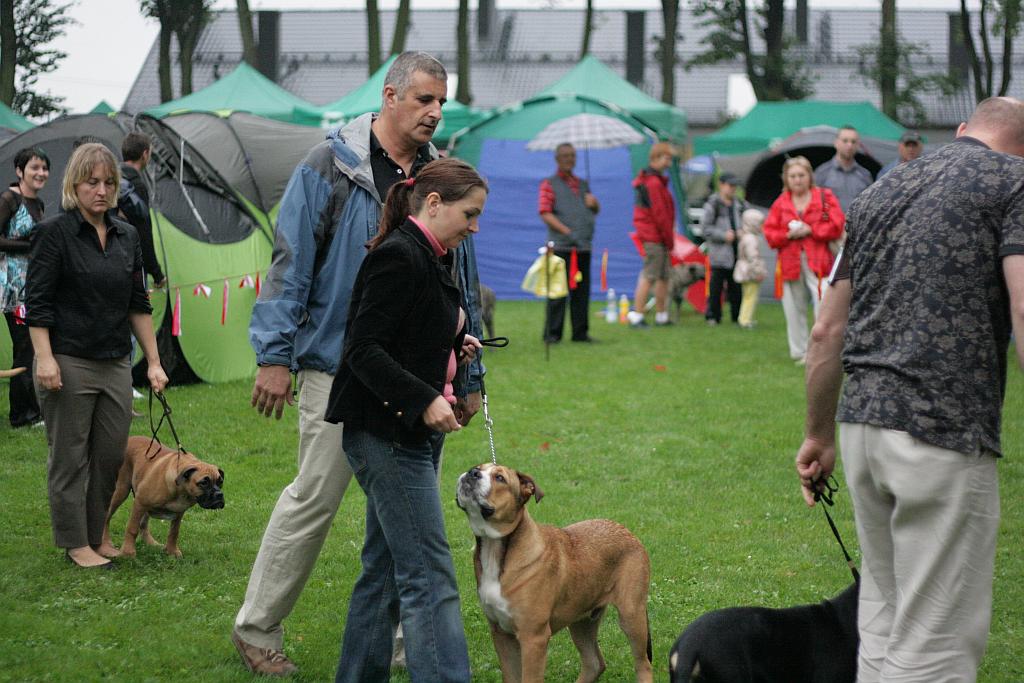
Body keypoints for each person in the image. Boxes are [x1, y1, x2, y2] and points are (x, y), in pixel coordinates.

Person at [234, 51, 485, 677]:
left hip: (419, 380)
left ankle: (405, 641)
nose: (435, 111)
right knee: (314, 499)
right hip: (337, 365)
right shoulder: (329, 165)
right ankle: (257, 628)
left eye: (442, 101)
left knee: (402, 519)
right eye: (424, 99)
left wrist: (468, 374)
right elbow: (291, 262)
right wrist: (274, 354)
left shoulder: (439, 175)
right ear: (390, 95)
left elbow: (462, 276)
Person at [796, 96, 1024, 682]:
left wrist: (818, 434)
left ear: (963, 130)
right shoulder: (1015, 182)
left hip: (861, 430)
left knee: (882, 618)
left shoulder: (880, 191)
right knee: (935, 642)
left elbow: (825, 331)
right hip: (944, 432)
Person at [324, 157, 485, 683]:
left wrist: (451, 345)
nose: (474, 227)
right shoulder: (399, 255)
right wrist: (423, 399)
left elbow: (404, 335)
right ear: (434, 204)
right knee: (429, 576)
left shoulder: (432, 254)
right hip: (387, 433)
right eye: (470, 214)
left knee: (387, 569)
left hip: (407, 432)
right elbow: (363, 349)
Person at [24, 143, 168, 569]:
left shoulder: (127, 235)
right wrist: (44, 358)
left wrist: (153, 362)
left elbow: (138, 303)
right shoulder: (54, 233)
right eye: (92, 183)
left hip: (115, 361)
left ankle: (96, 534)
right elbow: (37, 303)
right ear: (74, 185)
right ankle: (76, 543)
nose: (101, 191)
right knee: (70, 456)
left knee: (109, 456)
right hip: (67, 359)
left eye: (108, 183)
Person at [762, 156, 844, 363]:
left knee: (824, 306)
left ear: (809, 176)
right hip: (790, 262)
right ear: (786, 179)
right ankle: (799, 352)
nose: (797, 180)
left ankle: (823, 350)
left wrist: (811, 230)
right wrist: (787, 235)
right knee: (793, 307)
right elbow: (770, 233)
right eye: (793, 176)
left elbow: (837, 224)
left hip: (820, 261)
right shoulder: (781, 202)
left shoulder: (824, 197)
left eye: (801, 175)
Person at [0, 147, 49, 428]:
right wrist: (29, 245)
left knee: (32, 347)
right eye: (34, 167)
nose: (40, 173)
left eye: (44, 168)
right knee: (25, 347)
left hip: (33, 285)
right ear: (20, 171)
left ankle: (31, 410)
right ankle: (22, 415)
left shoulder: (38, 203)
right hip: (12, 288)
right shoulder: (9, 199)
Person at [539, 142, 600, 343]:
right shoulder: (549, 183)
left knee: (582, 291)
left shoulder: (583, 184)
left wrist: (595, 204)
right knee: (557, 292)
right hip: (560, 246)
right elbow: (545, 212)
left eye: (572, 155)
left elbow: (593, 211)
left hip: (583, 246)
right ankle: (552, 334)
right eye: (565, 155)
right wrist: (566, 231)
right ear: (557, 159)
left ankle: (580, 333)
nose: (570, 159)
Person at [627, 142, 676, 328]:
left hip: (657, 236)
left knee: (663, 276)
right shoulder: (654, 183)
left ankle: (661, 316)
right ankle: (637, 316)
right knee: (649, 275)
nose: (669, 163)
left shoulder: (653, 181)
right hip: (654, 237)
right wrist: (669, 239)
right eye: (666, 158)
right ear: (656, 158)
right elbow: (660, 215)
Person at [117, 131, 166, 288]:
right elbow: (143, 233)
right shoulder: (136, 186)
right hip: (132, 265)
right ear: (145, 154)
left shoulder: (112, 180)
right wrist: (156, 273)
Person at [699, 172, 747, 326]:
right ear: (721, 185)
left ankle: (737, 316)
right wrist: (723, 235)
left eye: (735, 186)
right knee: (716, 287)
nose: (733, 188)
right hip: (719, 255)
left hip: (737, 253)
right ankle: (713, 315)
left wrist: (742, 232)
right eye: (730, 185)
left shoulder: (740, 205)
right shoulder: (712, 204)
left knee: (736, 287)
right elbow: (705, 229)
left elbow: (749, 222)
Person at [814, 125, 873, 212]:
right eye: (845, 141)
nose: (849, 145)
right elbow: (814, 205)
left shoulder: (865, 175)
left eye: (853, 142)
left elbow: (870, 206)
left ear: (858, 145)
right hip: (831, 220)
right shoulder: (822, 172)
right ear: (836, 143)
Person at [732, 208, 766, 329]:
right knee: (751, 297)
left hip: (743, 270)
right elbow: (753, 257)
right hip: (750, 272)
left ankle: (743, 318)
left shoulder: (744, 236)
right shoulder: (751, 239)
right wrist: (758, 272)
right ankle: (745, 320)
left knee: (746, 295)